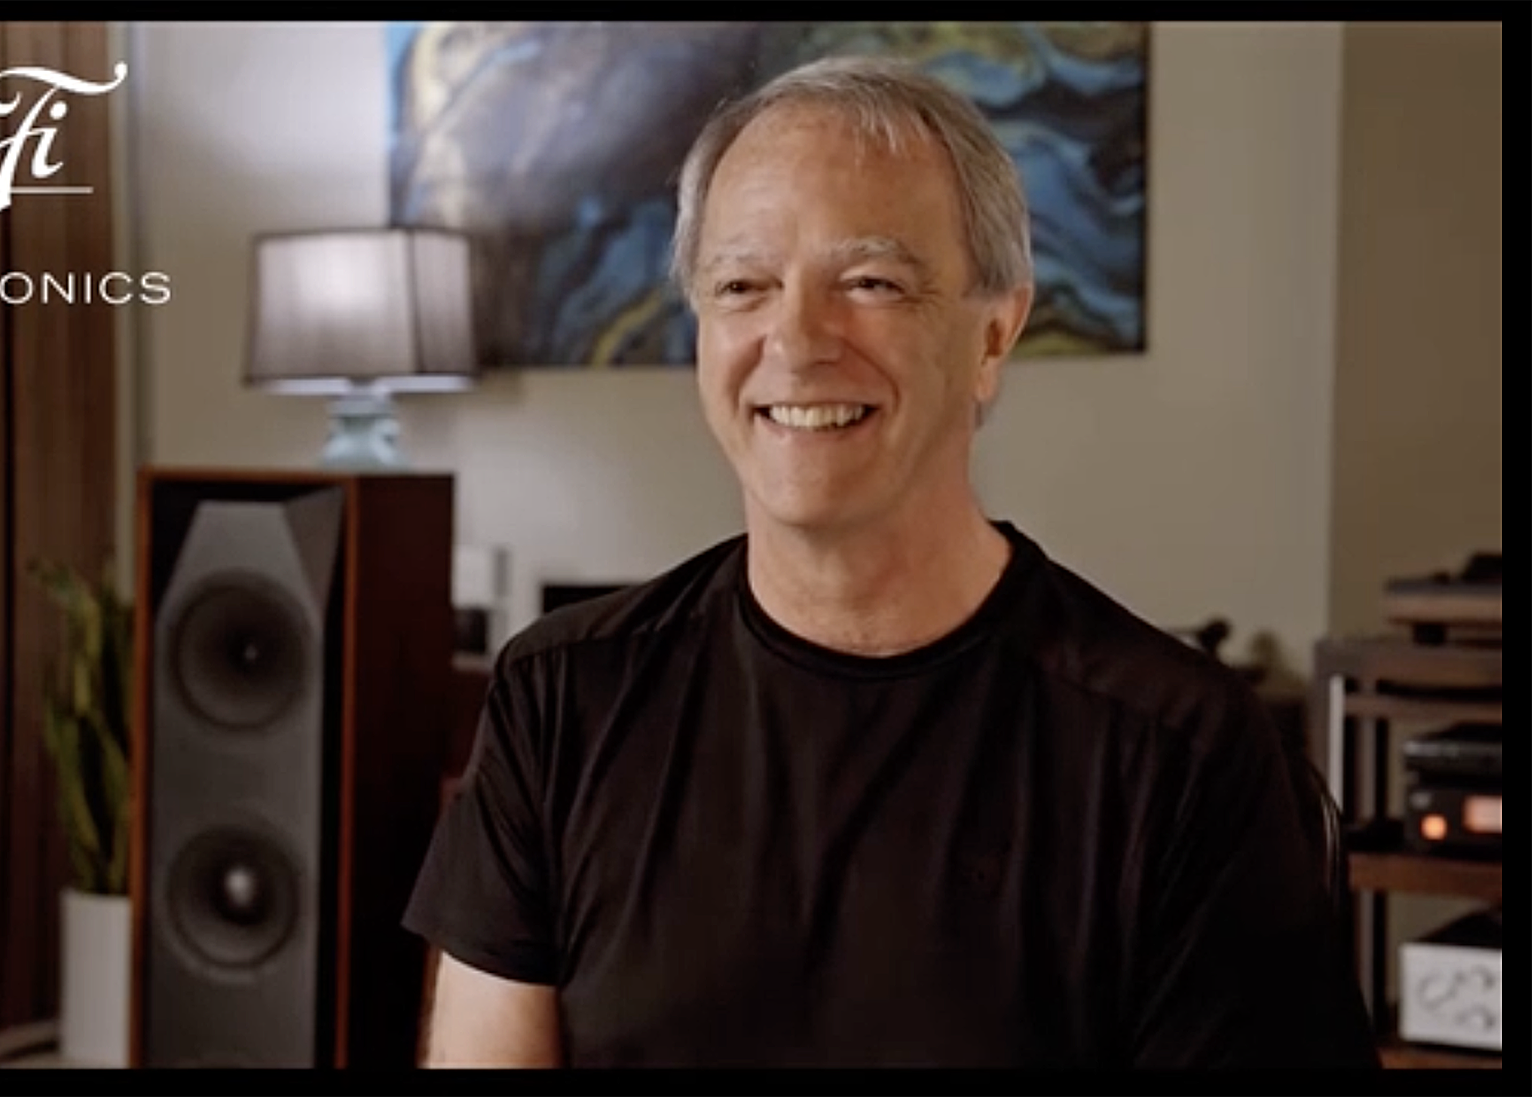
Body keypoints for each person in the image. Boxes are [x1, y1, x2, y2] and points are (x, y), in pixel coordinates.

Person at [401, 55, 1381, 1069]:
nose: (796, 341)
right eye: (742, 286)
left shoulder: (1178, 756)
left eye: (871, 283)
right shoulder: (560, 699)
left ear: (993, 335)